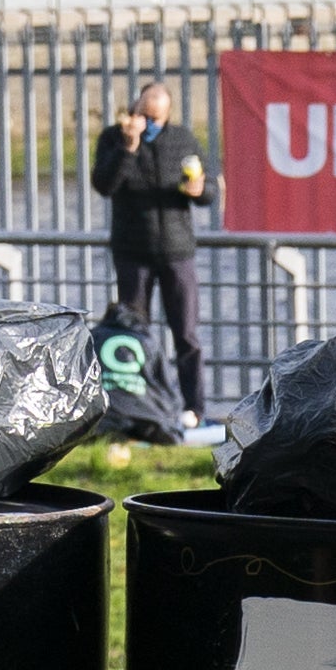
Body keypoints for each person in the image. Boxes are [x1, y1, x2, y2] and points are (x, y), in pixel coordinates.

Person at [103, 79, 211, 419]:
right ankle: (138, 409)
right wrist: (128, 148)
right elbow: (104, 185)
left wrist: (198, 190)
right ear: (134, 112)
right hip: (133, 251)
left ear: (167, 116)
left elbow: (210, 193)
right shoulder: (114, 139)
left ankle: (193, 407)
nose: (149, 123)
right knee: (133, 334)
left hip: (177, 251)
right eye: (144, 116)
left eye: (156, 118)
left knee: (187, 335)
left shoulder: (183, 140)